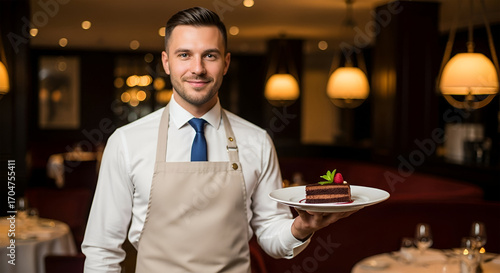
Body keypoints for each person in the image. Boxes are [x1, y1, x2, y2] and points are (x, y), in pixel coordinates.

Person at [82, 6, 357, 273]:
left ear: (225, 63)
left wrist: (301, 228)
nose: (198, 68)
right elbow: (102, 249)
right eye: (184, 55)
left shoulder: (257, 141)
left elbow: (271, 232)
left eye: (210, 55)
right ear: (166, 62)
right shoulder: (126, 142)